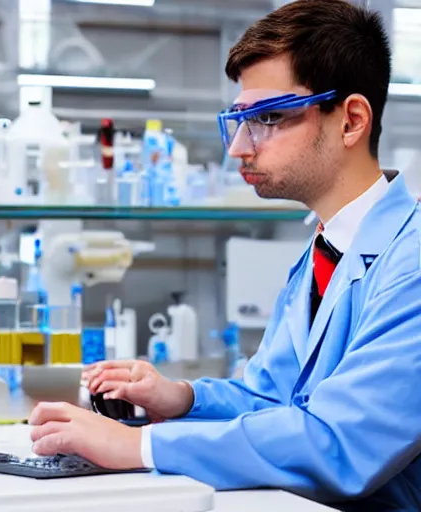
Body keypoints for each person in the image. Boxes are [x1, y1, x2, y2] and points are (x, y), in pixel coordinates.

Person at [28, 1, 421, 509]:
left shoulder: (411, 260)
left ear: (351, 121)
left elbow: (344, 442)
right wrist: (183, 398)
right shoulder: (325, 251)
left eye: (269, 117)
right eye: (239, 120)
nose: (239, 147)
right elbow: (272, 399)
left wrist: (137, 445)